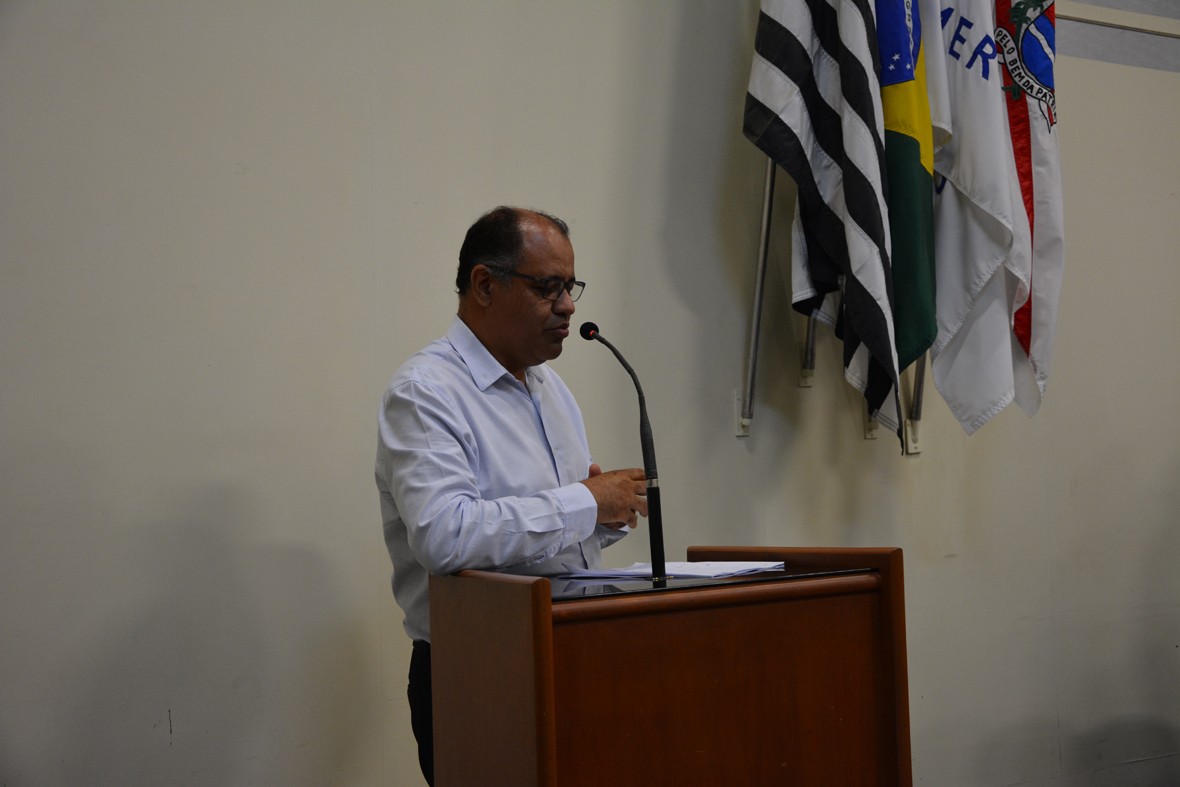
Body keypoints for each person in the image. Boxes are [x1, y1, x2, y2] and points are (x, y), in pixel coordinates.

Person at [375, 206, 648, 785]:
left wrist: (605, 515)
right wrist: (585, 501)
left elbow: (544, 535)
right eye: (548, 287)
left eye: (570, 287)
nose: (568, 305)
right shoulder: (426, 392)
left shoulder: (550, 387)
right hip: (478, 672)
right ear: (484, 285)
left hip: (573, 649)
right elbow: (446, 536)